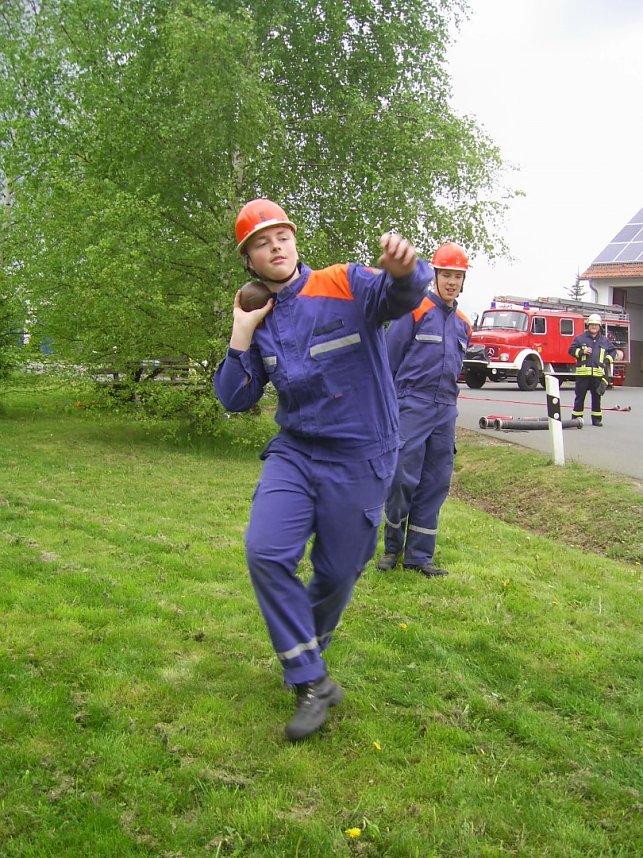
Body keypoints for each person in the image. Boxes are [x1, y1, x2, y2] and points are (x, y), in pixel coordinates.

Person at [214, 199, 432, 741]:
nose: (275, 247)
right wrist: (241, 332)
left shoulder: (343, 284)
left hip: (361, 455)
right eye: (261, 244)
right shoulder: (260, 319)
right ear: (248, 260)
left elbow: (400, 295)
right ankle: (311, 680)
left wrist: (405, 270)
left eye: (281, 236)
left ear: (294, 240)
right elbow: (235, 398)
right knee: (265, 551)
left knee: (337, 574)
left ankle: (305, 654)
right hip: (295, 453)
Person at [377, 242, 472, 577]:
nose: (451, 282)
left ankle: (419, 557)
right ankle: (392, 548)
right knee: (401, 479)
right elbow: (388, 361)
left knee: (435, 482)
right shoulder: (414, 311)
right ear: (435, 275)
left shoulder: (464, 324)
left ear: (463, 281)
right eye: (446, 275)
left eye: (457, 276)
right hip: (411, 405)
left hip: (445, 410)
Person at [569, 313, 618, 427]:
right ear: (588, 325)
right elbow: (571, 350)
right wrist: (582, 352)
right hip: (582, 375)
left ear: (599, 326)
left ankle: (596, 419)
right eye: (592, 324)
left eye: (596, 324)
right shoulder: (580, 338)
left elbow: (613, 351)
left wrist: (607, 360)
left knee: (597, 398)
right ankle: (576, 419)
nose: (594, 326)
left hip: (597, 375)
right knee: (580, 397)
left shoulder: (604, 340)